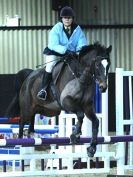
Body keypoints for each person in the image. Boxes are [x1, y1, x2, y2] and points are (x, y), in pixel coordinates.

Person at [37, 6, 87, 100]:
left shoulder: (78, 29)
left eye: (69, 18)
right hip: (55, 52)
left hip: (71, 54)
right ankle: (43, 89)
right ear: (62, 19)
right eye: (65, 18)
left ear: (72, 19)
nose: (67, 20)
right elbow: (53, 45)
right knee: (50, 65)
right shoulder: (56, 28)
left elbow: (82, 43)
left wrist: (78, 52)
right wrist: (66, 50)